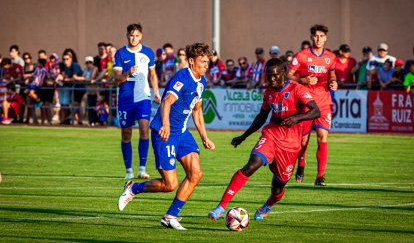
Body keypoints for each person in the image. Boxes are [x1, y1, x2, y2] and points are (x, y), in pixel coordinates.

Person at [117, 42, 215, 230]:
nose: (206, 65)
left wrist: (204, 137)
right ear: (192, 61)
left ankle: (170, 216)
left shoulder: (201, 81)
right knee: (170, 184)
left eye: (207, 62)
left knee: (196, 174)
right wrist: (166, 125)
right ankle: (133, 188)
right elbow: (166, 101)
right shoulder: (182, 77)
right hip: (165, 133)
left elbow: (197, 111)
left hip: (183, 134)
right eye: (203, 62)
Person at [208, 58, 320, 222]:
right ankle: (221, 207)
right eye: (269, 76)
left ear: (284, 72)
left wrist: (297, 118)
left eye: (275, 75)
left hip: (290, 145)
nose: (272, 79)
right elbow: (261, 118)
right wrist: (244, 136)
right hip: (271, 136)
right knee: (251, 165)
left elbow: (316, 111)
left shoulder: (298, 89)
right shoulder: (269, 92)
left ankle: (267, 206)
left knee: (278, 186)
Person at [287, 24, 338, 186]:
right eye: (316, 36)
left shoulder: (330, 57)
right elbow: (288, 75)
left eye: (321, 36)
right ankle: (301, 162)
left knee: (323, 137)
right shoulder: (301, 56)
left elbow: (332, 73)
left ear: (326, 38)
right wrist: (302, 80)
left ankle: (320, 176)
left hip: (324, 101)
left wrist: (333, 82)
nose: (318, 39)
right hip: (306, 101)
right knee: (303, 142)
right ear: (311, 37)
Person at [113, 23, 161, 179]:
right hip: (125, 99)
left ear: (141, 36)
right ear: (127, 35)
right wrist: (128, 72)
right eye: (131, 35)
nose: (134, 38)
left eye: (136, 35)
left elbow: (152, 75)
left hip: (143, 98)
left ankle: (142, 168)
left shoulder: (148, 52)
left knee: (144, 129)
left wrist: (156, 92)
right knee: (126, 134)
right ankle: (128, 171)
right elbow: (117, 80)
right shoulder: (120, 54)